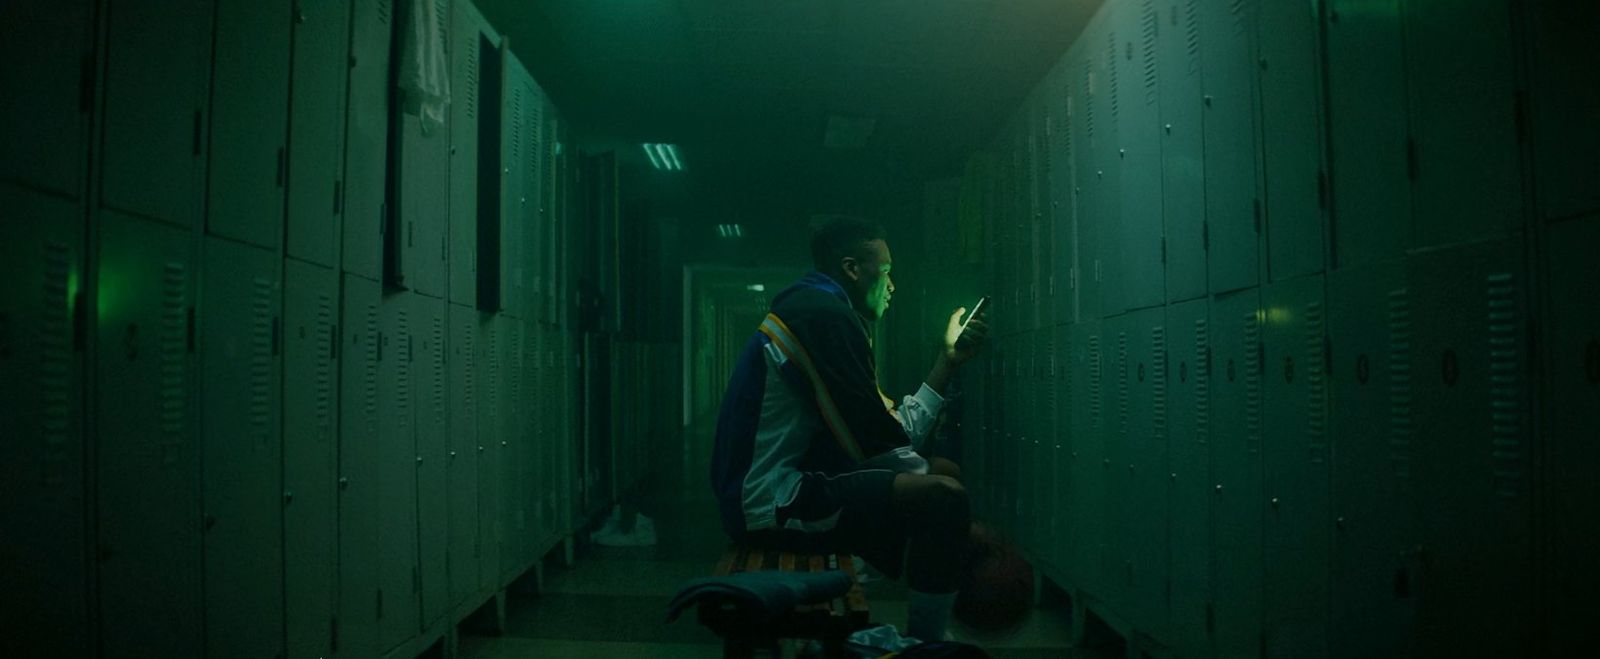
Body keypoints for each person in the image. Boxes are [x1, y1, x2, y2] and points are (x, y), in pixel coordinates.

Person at [710, 216, 989, 642]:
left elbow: (884, 431)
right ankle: (928, 645)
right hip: (768, 501)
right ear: (852, 269)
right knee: (945, 498)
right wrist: (956, 520)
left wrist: (946, 361)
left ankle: (924, 634)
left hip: (791, 482)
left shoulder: (821, 310)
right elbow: (881, 443)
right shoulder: (822, 317)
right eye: (887, 271)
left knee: (943, 476)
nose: (892, 285)